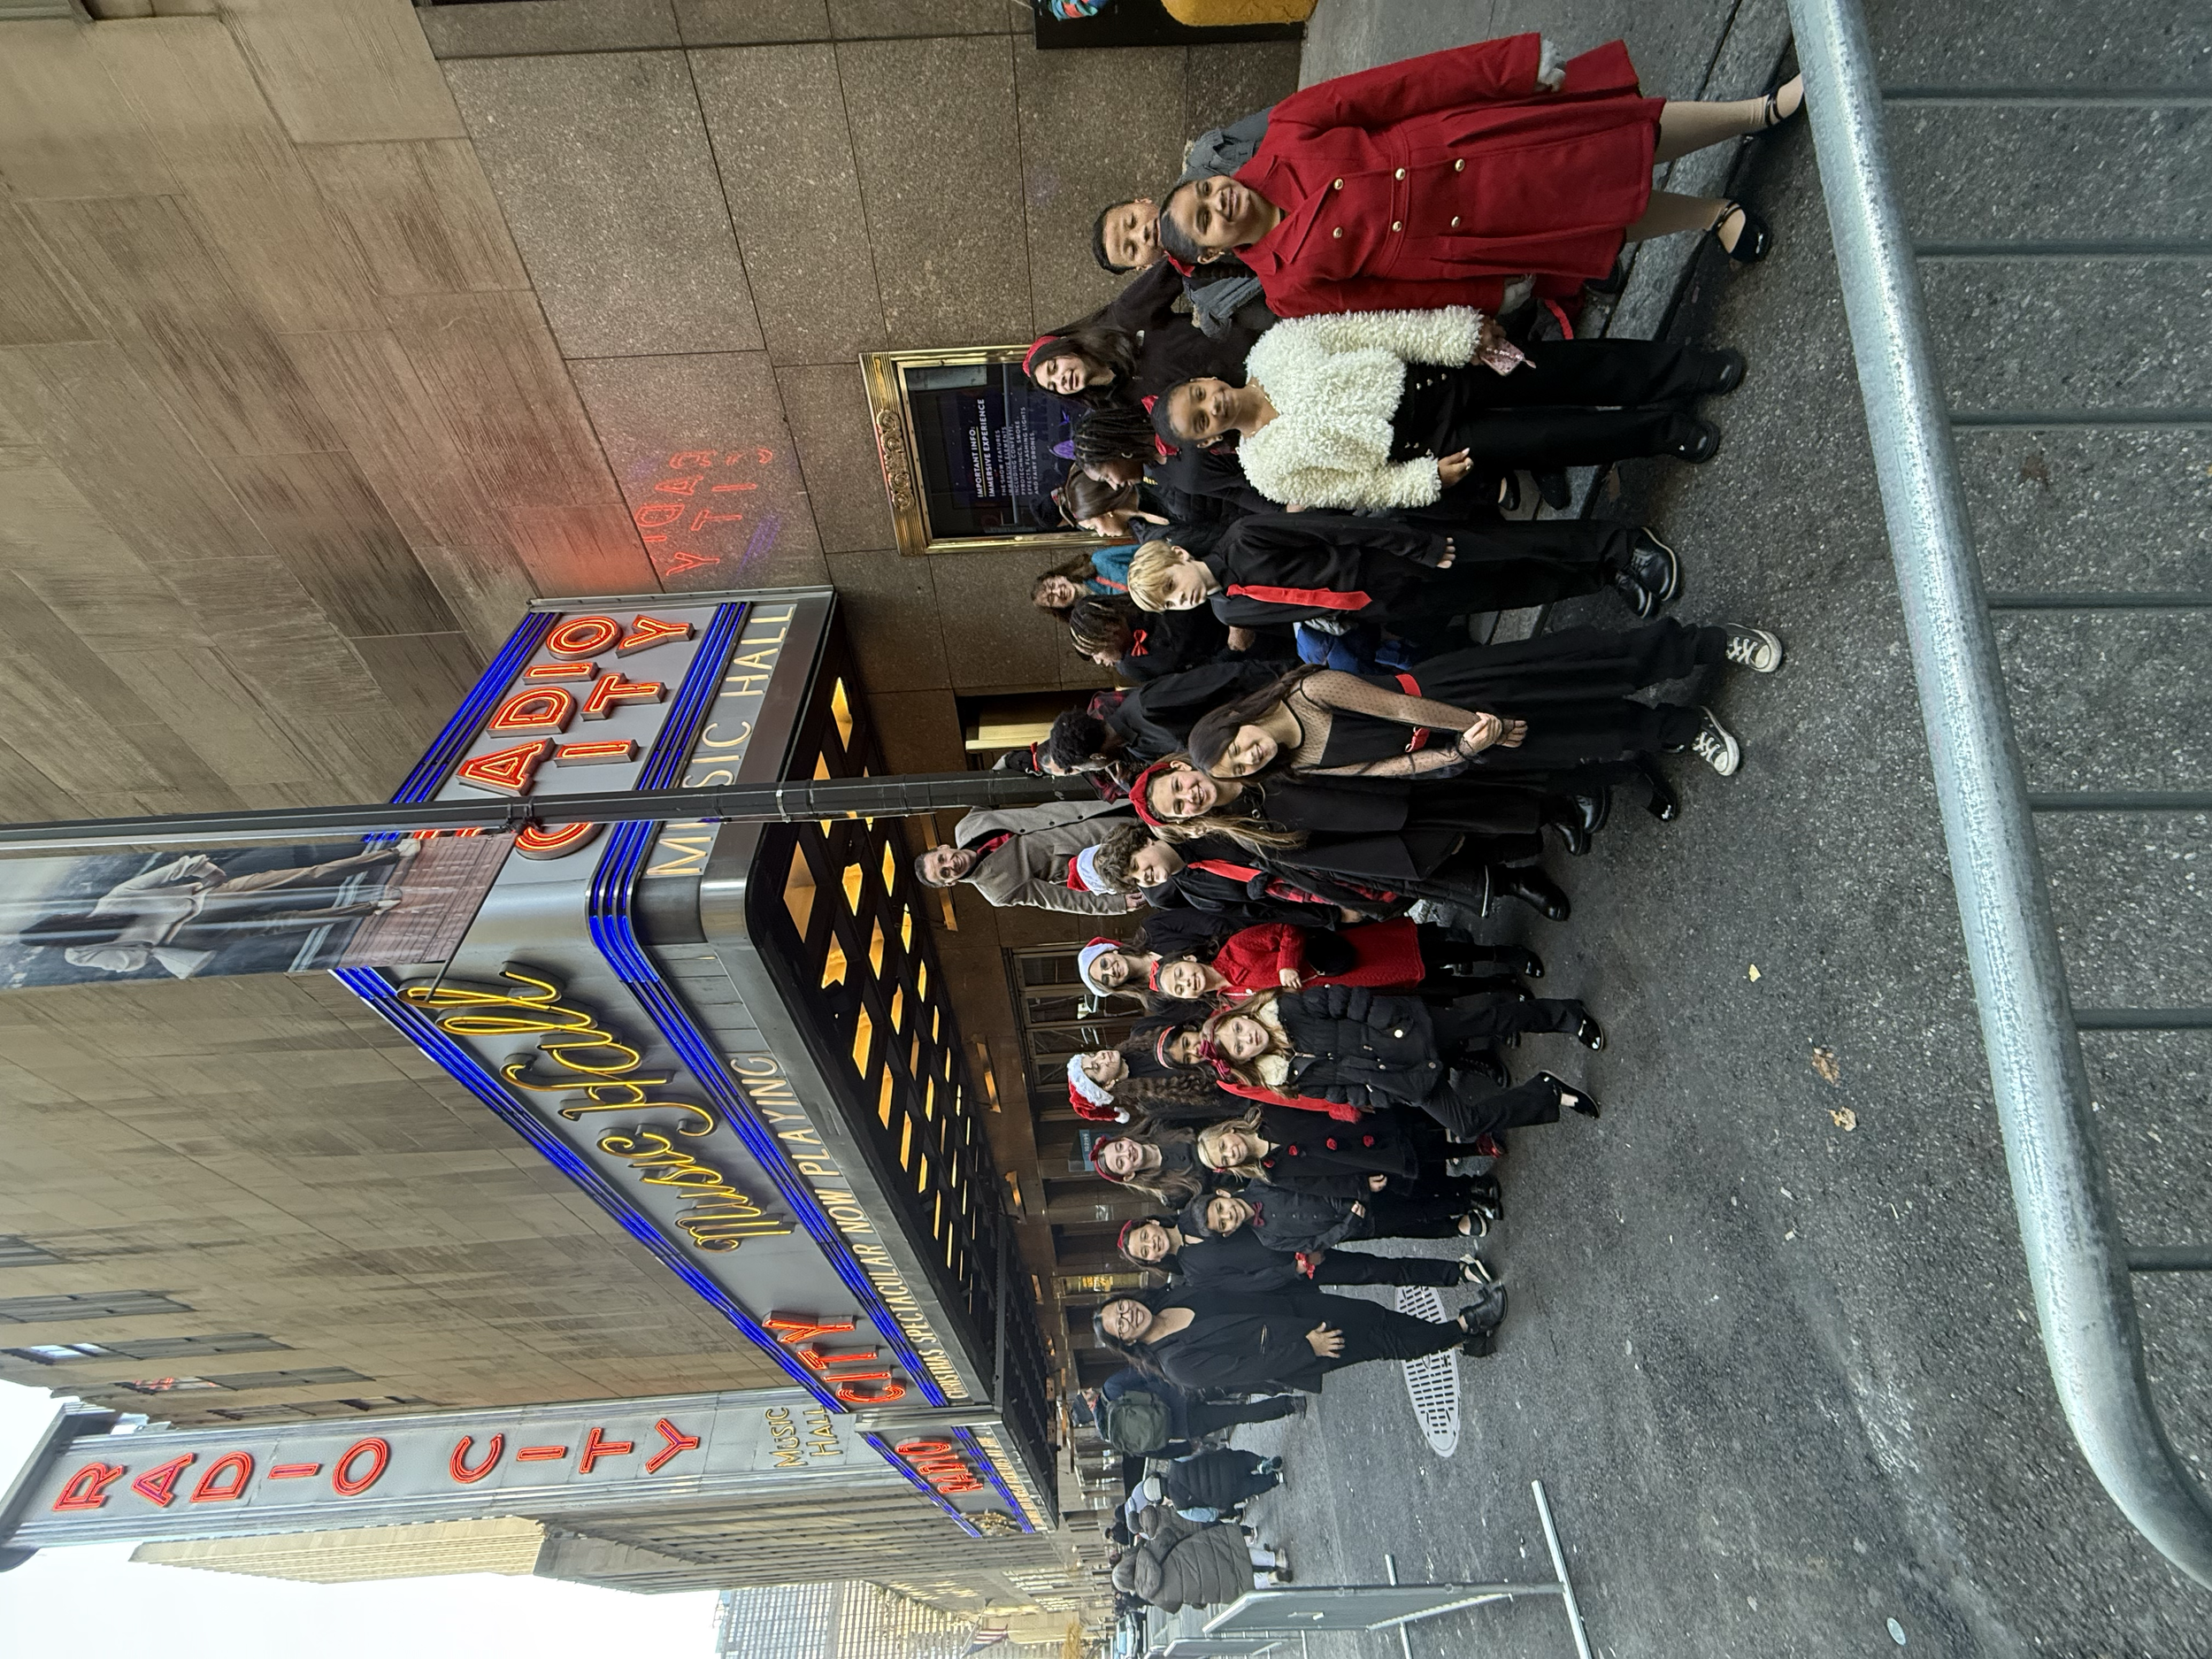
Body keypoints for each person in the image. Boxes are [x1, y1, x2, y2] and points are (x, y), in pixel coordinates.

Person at [1156, 34, 1805, 317]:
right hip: (1466, 239)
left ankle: (1757, 109)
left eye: (1207, 189)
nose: (1221, 197)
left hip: (1469, 147)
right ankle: (1711, 215)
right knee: (1601, 221)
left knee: (1617, 136)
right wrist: (1486, 296)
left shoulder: (1288, 130)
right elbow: (1387, 304)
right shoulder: (1286, 290)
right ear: (1213, 250)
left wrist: (1509, 68)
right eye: (1206, 216)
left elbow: (1400, 85)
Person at [1150, 308, 1743, 508]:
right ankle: (1663, 431)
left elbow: (1374, 329)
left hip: (1436, 373)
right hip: (1432, 444)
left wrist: (1457, 332)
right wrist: (1423, 480)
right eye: (1200, 419)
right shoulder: (1266, 470)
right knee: (1555, 439)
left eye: (1200, 394)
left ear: (1206, 377)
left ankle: (1684, 368)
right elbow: (1357, 489)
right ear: (1207, 440)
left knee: (1569, 367)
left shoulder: (1274, 347)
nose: (1211, 405)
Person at [1185, 626, 1784, 802]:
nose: (1248, 756)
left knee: (1584, 665)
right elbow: (1380, 772)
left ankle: (1704, 645)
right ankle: (1680, 727)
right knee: (1581, 735)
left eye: (1235, 747)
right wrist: (1467, 750)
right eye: (1238, 768)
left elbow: (1396, 705)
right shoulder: (1299, 767)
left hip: (1452, 694)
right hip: (1461, 740)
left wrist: (1470, 721)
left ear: (1237, 722)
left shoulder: (1309, 690)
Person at [1127, 759, 1578, 921]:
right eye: (1142, 880)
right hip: (1336, 870)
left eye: (1140, 864)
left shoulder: (1213, 802)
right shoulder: (1196, 889)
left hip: (1336, 816)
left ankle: (1554, 807)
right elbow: (1269, 905)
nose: (1149, 875)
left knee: (1446, 821)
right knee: (1439, 869)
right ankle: (1520, 881)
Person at [1125, 516, 1675, 646]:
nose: (1182, 599)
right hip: (1383, 602)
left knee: (1509, 549)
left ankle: (1620, 543)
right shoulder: (1229, 614)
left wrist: (1417, 543)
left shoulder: (1244, 537)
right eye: (1172, 606)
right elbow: (1303, 610)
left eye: (1171, 585)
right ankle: (1603, 577)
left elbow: (1334, 527)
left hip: (1385, 558)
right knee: (1505, 590)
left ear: (1177, 553)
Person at [1199, 985, 1603, 1141]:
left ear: (1243, 1015)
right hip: (1400, 1078)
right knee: (1465, 1124)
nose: (1244, 1038)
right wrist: (1382, 1093)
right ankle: (1547, 1092)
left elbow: (1345, 1001)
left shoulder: (1285, 1007)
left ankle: (1566, 1014)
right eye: (1238, 1048)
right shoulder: (1283, 1078)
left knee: (1489, 1021)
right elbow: (1341, 1092)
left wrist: (1388, 1023)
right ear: (1244, 1061)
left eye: (1237, 1029)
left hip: (1405, 1029)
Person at [19, 843, 420, 978]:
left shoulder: (83, 952)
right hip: (208, 903)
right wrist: (212, 878)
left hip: (191, 939)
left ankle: (374, 907)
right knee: (303, 876)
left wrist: (78, 951)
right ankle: (393, 853)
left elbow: (134, 964)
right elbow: (181, 866)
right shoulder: (113, 902)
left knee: (282, 924)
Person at [1094, 1282, 1505, 1392]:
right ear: (1127, 1343)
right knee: (1384, 1344)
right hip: (1302, 1347)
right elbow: (1249, 1371)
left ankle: (1455, 1339)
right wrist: (1308, 1348)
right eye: (1121, 1325)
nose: (1128, 1315)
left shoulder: (1171, 1296)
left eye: (1122, 1308)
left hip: (1294, 1307)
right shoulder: (1177, 1364)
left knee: (1374, 1315)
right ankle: (1466, 1325)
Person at [1151, 915, 1540, 1000]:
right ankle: (1498, 986)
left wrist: (1287, 962)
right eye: (1181, 989)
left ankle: (1502, 954)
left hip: (1343, 957)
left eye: (1181, 974)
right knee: (1423, 985)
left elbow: (1288, 931)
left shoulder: (1235, 948)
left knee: (1427, 954)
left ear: (1188, 959)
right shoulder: (1229, 1002)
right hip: (1344, 990)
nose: (1188, 982)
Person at [1117, 1214, 1491, 1290]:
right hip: (1301, 1266)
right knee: (1378, 1270)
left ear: (1149, 1223)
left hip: (1298, 1228)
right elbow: (1246, 1284)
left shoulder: (1193, 1212)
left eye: (1145, 1236)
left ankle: (1451, 1223)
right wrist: (1293, 1272)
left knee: (1380, 1224)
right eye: (1145, 1252)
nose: (1152, 1244)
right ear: (1151, 1261)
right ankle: (1456, 1273)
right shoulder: (1192, 1272)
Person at [913, 797, 1141, 916]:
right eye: (945, 873)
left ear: (943, 847)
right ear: (951, 882)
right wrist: (1117, 904)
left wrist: (1013, 759)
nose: (951, 864)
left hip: (1089, 806)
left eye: (942, 859)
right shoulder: (998, 891)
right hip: (1099, 848)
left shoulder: (967, 827)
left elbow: (991, 789)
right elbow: (1061, 900)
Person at [1181, 1182, 1485, 1257]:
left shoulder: (1262, 1184)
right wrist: (1346, 1228)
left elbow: (1306, 1182)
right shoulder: (1269, 1238)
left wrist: (1346, 1192)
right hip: (1355, 1224)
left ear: (1222, 1194)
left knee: (1406, 1194)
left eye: (1220, 1209)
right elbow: (1315, 1242)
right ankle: (1456, 1223)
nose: (1227, 1216)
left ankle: (1467, 1196)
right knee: (1408, 1219)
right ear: (1227, 1233)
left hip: (1347, 1195)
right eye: (1222, 1224)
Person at [1032, 546, 1136, 616]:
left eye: (1053, 585)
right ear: (1057, 608)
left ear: (1059, 576)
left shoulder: (1100, 560)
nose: (1058, 592)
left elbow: (1145, 550)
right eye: (1051, 599)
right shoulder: (1095, 616)